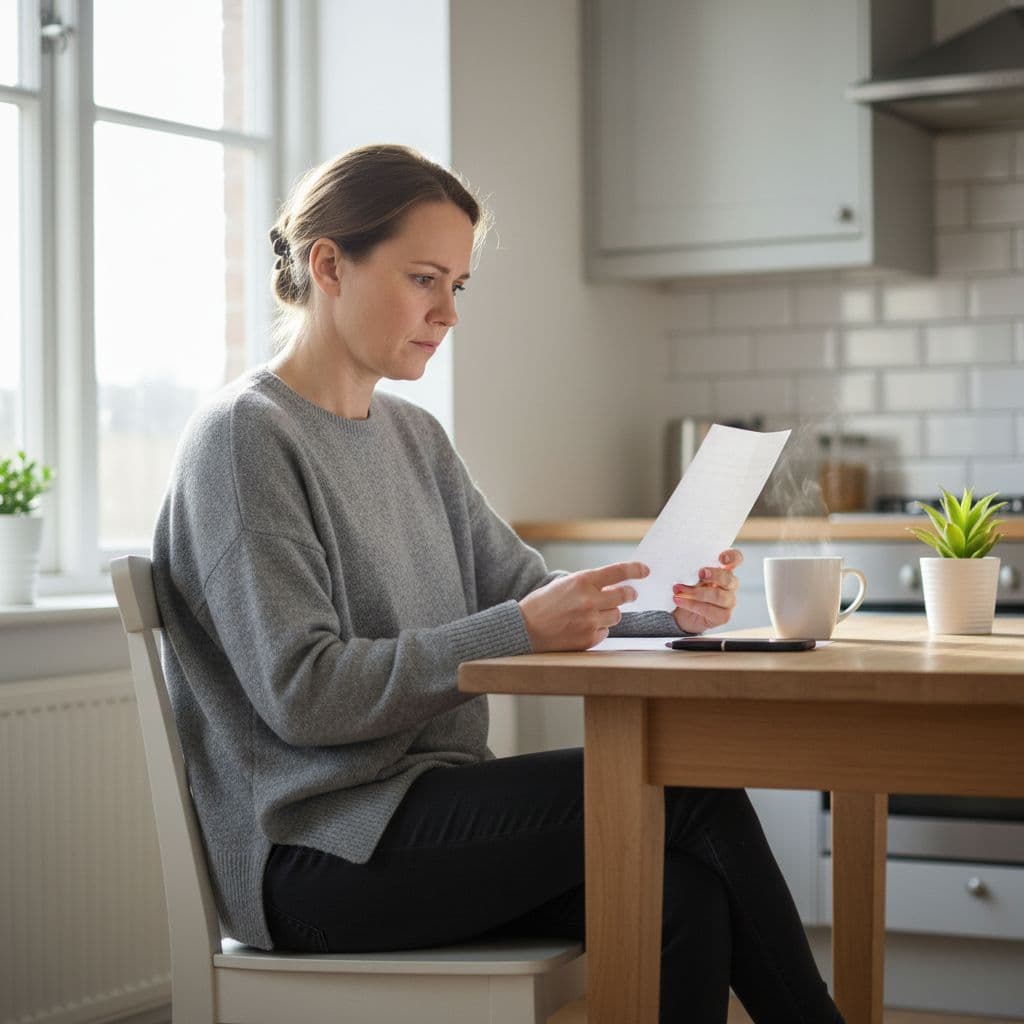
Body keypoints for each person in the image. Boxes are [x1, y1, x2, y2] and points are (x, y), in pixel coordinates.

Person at [152, 143, 844, 1024]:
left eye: (460, 286)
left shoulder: (413, 438)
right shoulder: (245, 439)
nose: (447, 312)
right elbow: (304, 695)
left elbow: (528, 592)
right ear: (328, 263)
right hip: (316, 853)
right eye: (424, 278)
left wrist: (665, 611)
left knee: (681, 894)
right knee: (687, 788)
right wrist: (517, 627)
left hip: (424, 820)